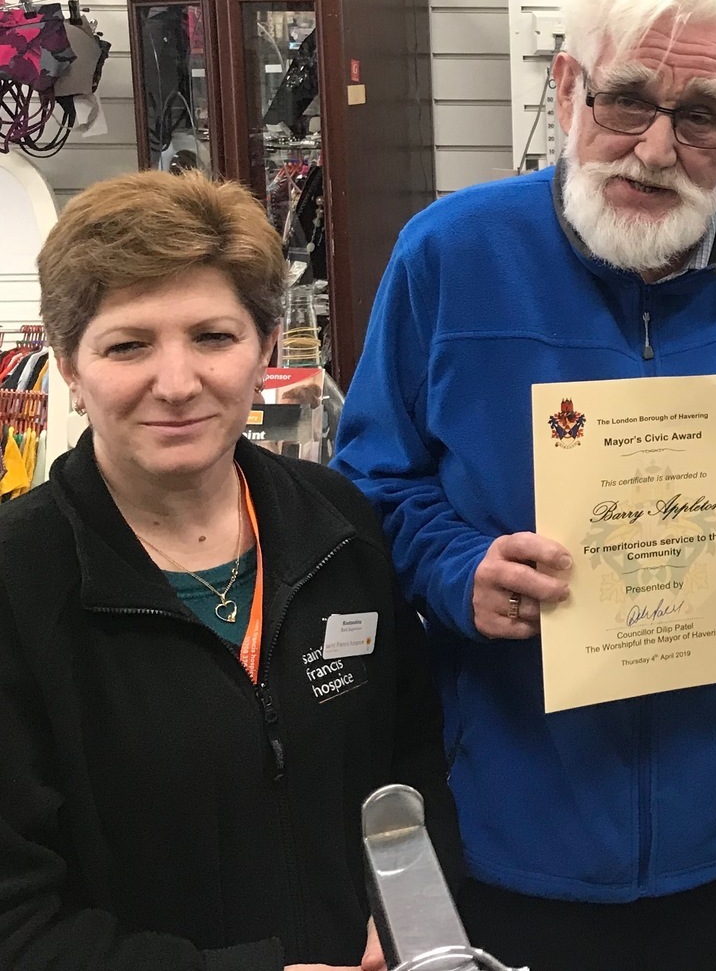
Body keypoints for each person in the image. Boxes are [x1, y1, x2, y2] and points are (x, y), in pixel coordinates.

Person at [331, 0, 716, 970]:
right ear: (566, 86)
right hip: (517, 824)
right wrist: (457, 567)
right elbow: (370, 482)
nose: (654, 146)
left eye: (700, 114)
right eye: (625, 97)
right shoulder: (448, 255)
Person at [0, 171, 456, 971]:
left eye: (213, 336)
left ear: (266, 346)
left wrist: (410, 906)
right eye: (128, 344)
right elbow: (16, 921)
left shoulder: (337, 524)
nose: (177, 384)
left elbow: (410, 758)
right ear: (68, 362)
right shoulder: (17, 584)